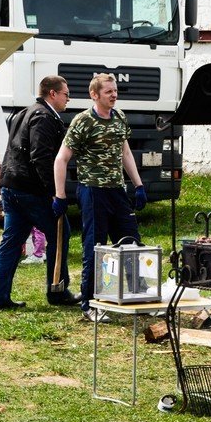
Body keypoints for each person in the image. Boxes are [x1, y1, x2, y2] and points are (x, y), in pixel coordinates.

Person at [53, 73, 147, 322]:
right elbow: (61, 158)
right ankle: (90, 304)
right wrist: (60, 195)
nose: (114, 95)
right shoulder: (83, 121)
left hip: (117, 191)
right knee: (96, 248)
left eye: (115, 91)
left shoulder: (120, 117)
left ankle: (138, 295)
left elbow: (125, 153)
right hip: (93, 191)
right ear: (94, 95)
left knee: (131, 243)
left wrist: (138, 185)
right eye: (108, 91)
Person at [0, 75, 79, 311]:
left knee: (10, 242)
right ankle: (57, 290)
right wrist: (55, 193)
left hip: (12, 185)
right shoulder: (44, 116)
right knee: (60, 234)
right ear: (52, 93)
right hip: (30, 189)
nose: (68, 99)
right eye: (66, 94)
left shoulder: (24, 112)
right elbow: (41, 156)